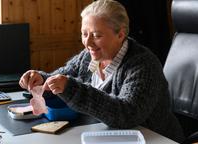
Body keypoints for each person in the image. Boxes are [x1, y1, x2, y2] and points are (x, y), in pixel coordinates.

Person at [19, 0, 184, 142]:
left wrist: (69, 87)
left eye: (97, 35)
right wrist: (42, 79)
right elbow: (64, 77)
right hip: (106, 136)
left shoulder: (142, 64)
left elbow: (127, 115)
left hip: (155, 139)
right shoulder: (89, 55)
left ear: (120, 34)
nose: (88, 43)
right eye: (84, 34)